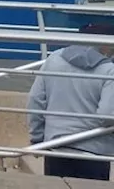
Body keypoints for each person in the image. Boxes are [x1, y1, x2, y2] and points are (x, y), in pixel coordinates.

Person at [27, 24, 114, 180]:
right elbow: (108, 116)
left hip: (55, 147)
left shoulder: (53, 59)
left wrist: (37, 138)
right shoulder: (109, 70)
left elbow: (36, 100)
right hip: (94, 152)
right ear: (105, 45)